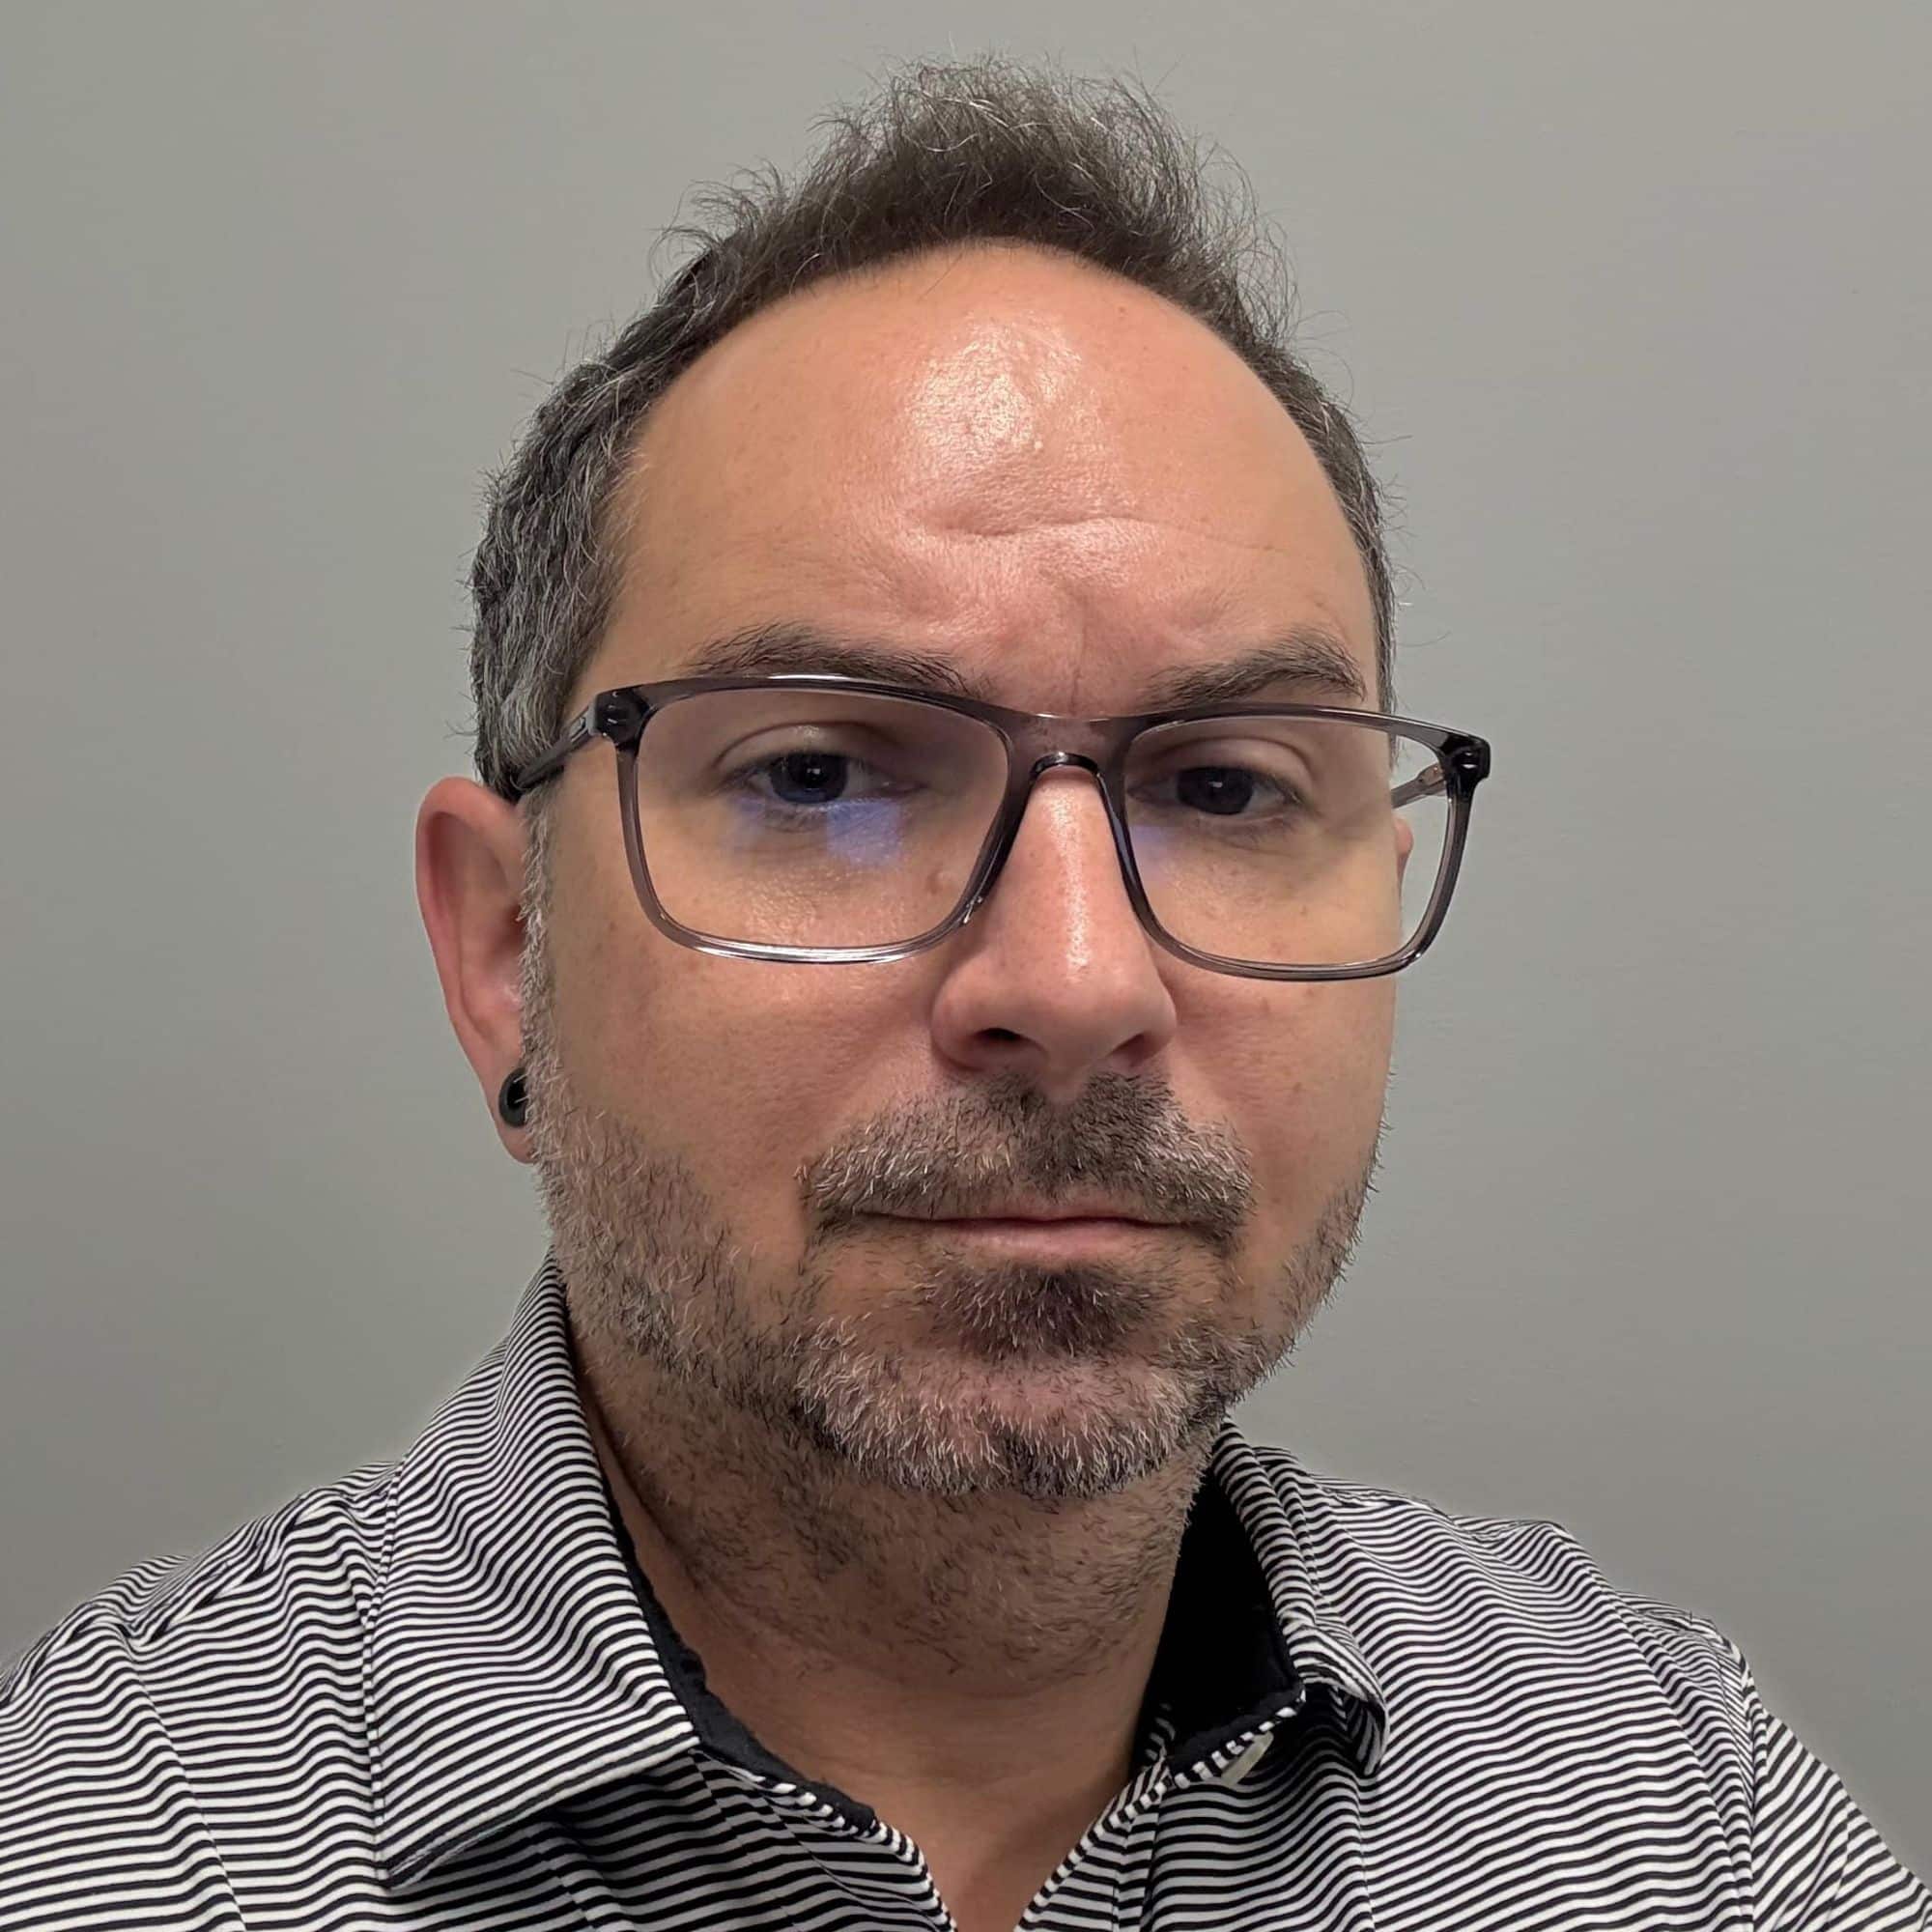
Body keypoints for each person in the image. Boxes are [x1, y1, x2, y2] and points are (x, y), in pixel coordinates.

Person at [1, 55, 1923, 1932]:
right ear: (508, 947)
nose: (1075, 982)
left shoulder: (1673, 1801)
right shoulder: (93, 1859)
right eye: (820, 776)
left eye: (1226, 788)